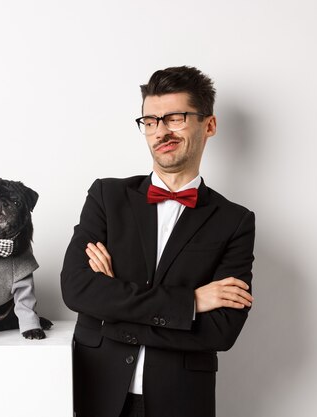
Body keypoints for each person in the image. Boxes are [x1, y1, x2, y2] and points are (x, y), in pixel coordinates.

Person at [60, 66, 256, 417]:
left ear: (208, 125)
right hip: (95, 392)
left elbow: (221, 332)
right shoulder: (107, 195)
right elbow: (77, 290)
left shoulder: (235, 221)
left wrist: (112, 310)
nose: (160, 131)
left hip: (180, 401)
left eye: (175, 118)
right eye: (150, 121)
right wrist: (190, 302)